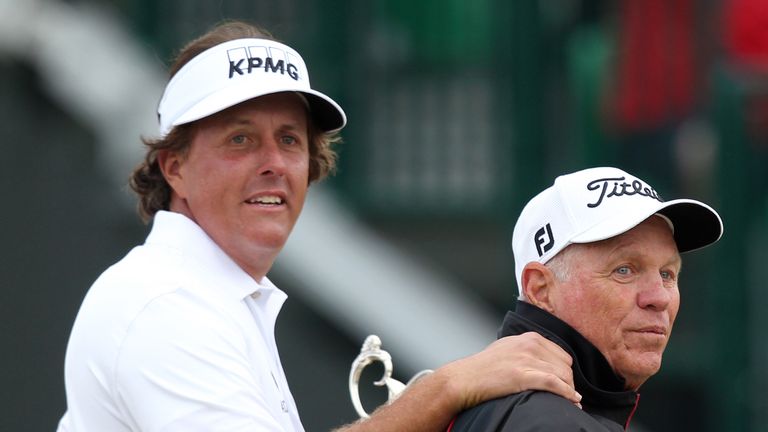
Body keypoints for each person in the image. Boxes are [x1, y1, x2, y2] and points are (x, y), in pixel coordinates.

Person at [57, 20, 581, 432]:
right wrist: (446, 389)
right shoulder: (163, 303)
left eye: (289, 140)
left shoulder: (199, 295)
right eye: (240, 139)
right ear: (175, 167)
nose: (274, 163)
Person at [449, 166, 723, 431]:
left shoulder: (495, 406)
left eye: (667, 274)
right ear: (540, 289)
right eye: (624, 270)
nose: (659, 298)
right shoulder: (551, 422)